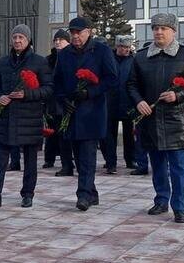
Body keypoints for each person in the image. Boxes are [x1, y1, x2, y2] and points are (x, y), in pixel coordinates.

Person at [128, 13, 184, 224]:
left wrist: (178, 95)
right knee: (158, 165)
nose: (159, 32)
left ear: (174, 31)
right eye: (155, 28)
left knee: (179, 167)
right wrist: (139, 102)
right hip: (150, 119)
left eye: (164, 28)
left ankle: (179, 207)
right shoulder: (141, 56)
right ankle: (161, 200)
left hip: (177, 121)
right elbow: (131, 84)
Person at [0, 24, 52, 208]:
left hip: (29, 118)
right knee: (0, 158)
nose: (17, 41)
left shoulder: (39, 62)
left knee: (30, 160)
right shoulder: (4, 62)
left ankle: (28, 194)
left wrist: (27, 95)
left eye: (21, 38)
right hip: (7, 116)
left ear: (28, 40)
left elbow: (49, 89)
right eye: (15, 37)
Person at [53, 17, 118, 212]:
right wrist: (63, 99)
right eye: (72, 32)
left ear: (89, 32)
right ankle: (92, 193)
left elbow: (112, 79)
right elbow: (57, 81)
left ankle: (83, 195)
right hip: (71, 113)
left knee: (87, 156)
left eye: (79, 32)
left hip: (92, 112)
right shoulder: (64, 54)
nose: (75, 36)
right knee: (78, 155)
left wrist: (90, 92)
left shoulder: (102, 51)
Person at [102, 35, 135, 175]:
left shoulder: (134, 61)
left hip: (128, 102)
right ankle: (111, 163)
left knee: (129, 134)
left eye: (128, 47)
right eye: (122, 47)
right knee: (110, 134)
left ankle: (130, 160)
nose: (125, 50)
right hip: (111, 102)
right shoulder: (109, 59)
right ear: (117, 47)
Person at [44, 29, 70, 173]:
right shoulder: (49, 59)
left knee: (66, 134)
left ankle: (68, 163)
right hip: (53, 101)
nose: (58, 42)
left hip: (69, 101)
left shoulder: (73, 56)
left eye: (61, 39)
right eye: (56, 40)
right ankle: (51, 159)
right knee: (53, 132)